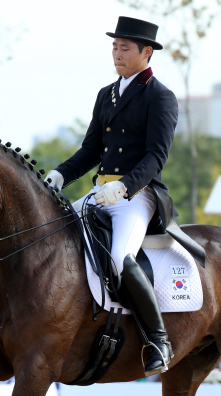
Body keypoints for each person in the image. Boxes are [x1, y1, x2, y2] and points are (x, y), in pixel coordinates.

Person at [45, 16, 178, 376]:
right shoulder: (107, 94)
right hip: (101, 190)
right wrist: (60, 174)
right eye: (114, 47)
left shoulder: (160, 96)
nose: (117, 53)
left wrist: (123, 187)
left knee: (120, 258)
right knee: (51, 234)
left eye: (125, 47)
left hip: (137, 195)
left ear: (146, 52)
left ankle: (158, 339)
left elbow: (156, 157)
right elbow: (90, 150)